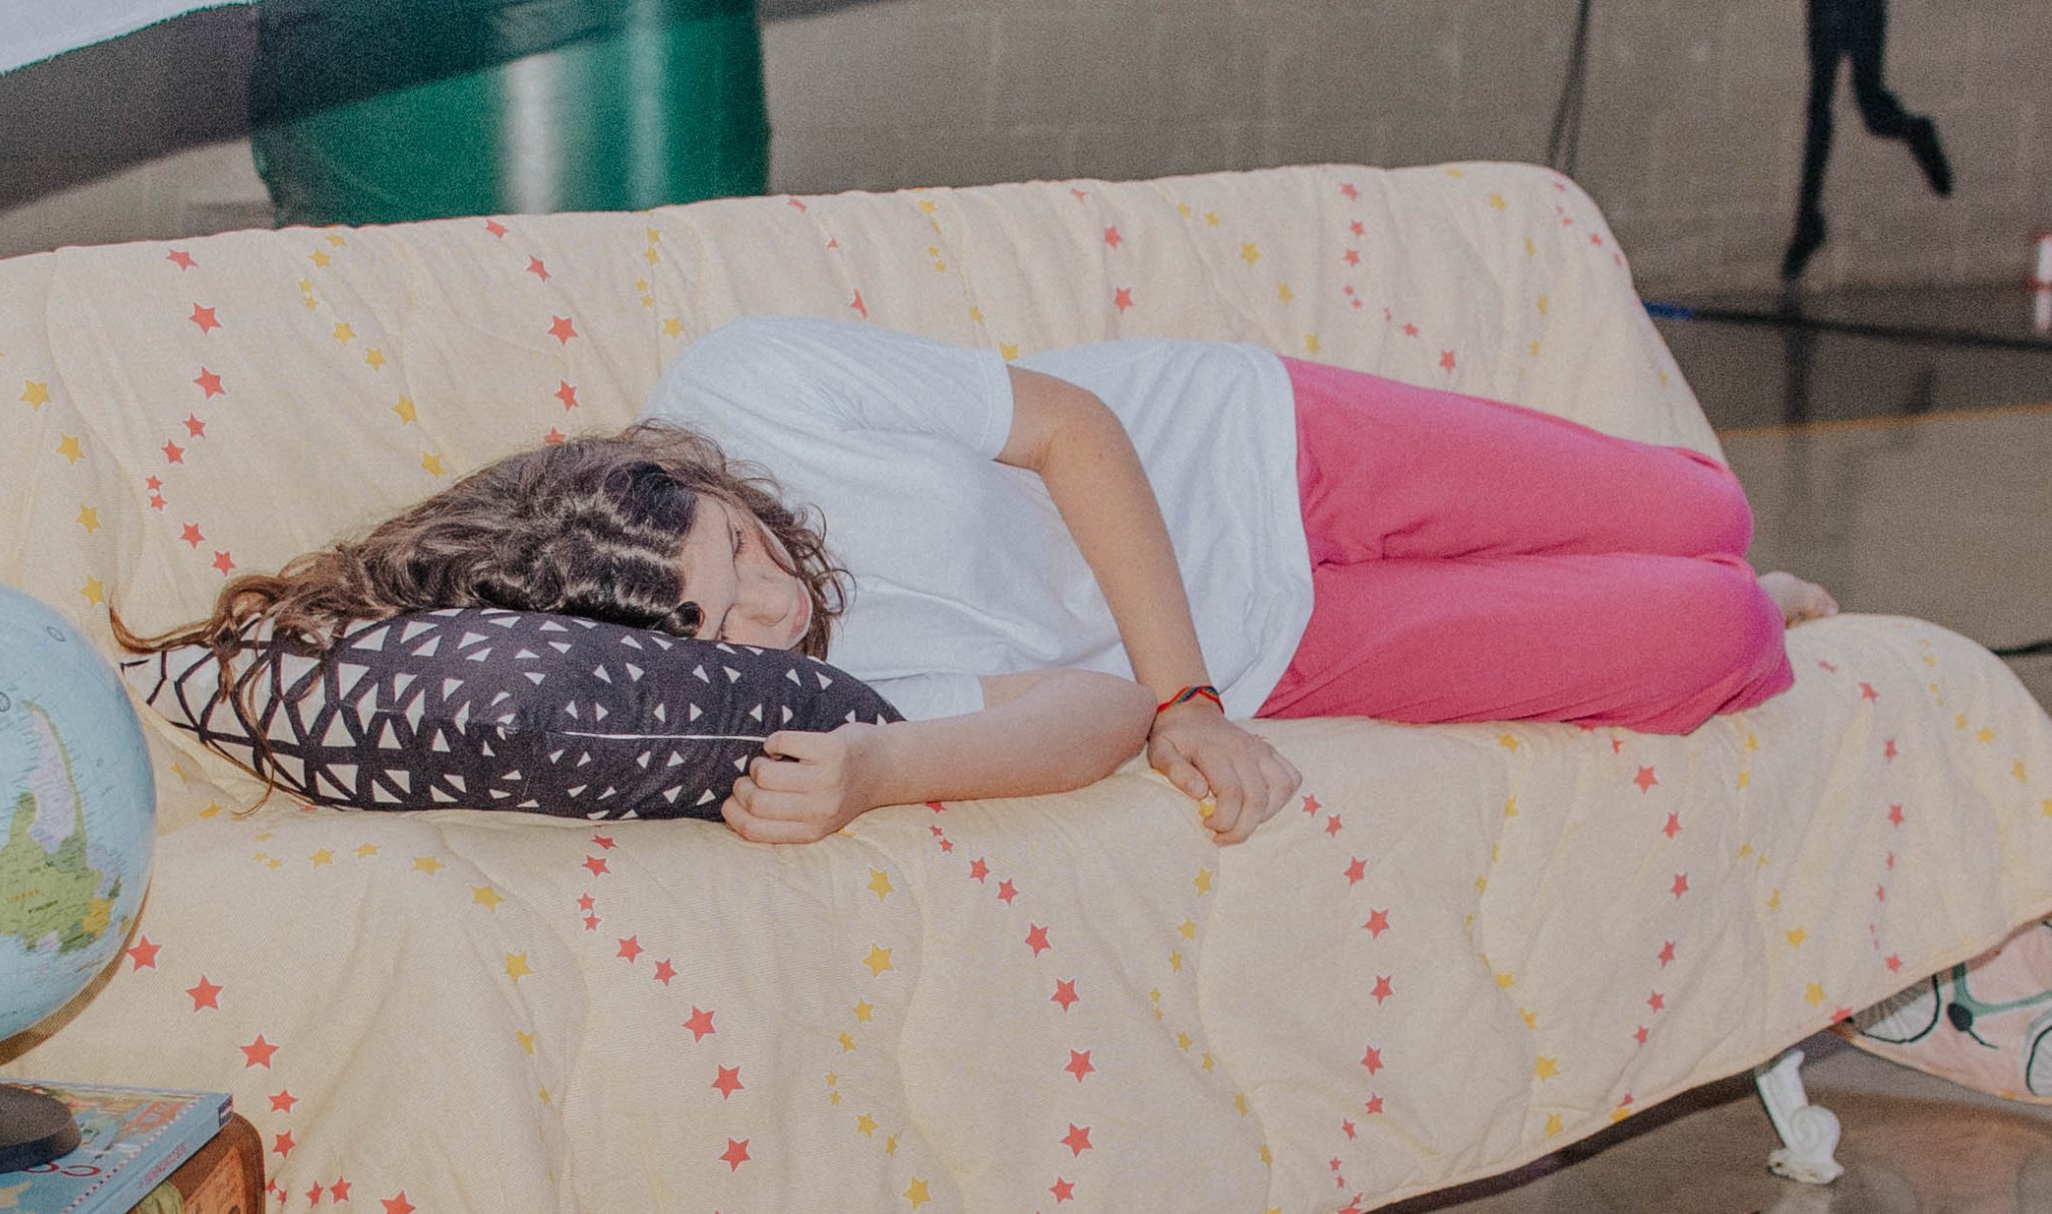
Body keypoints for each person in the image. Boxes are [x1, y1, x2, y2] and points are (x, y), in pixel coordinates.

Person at [120, 315, 1837, 847]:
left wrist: (1182, 697)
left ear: (704, 478)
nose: (770, 612)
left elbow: (1073, 429)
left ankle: (1724, 553)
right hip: (1280, 637)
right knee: (1714, 629)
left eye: (742, 553)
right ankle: (1769, 603)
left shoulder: (749, 384)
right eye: (722, 627)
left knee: (1699, 507)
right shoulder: (790, 691)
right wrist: (880, 768)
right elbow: (1078, 715)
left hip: (1252, 448)